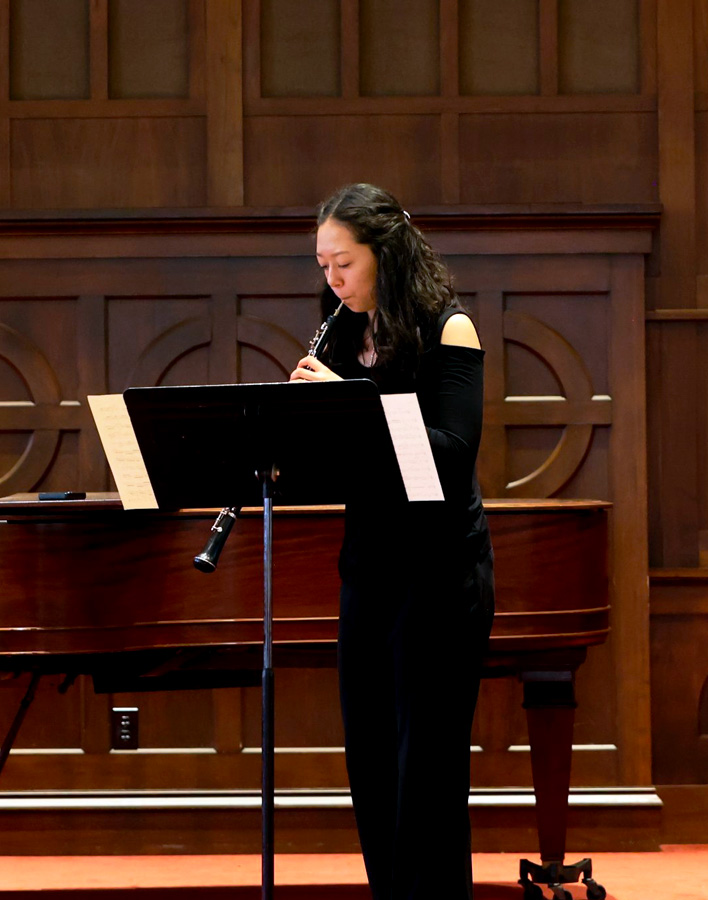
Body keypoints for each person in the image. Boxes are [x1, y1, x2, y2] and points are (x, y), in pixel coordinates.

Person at [289, 183, 495, 900]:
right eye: (322, 266)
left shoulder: (449, 329)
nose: (332, 280)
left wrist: (351, 401)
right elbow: (339, 463)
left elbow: (447, 456)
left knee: (427, 773)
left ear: (386, 252)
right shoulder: (342, 330)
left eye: (342, 263)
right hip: (369, 569)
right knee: (373, 764)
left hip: (439, 574)